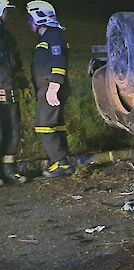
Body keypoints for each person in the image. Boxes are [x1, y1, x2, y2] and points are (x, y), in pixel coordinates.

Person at [27, 1, 72, 178]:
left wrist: (53, 86)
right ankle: (63, 162)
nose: (28, 21)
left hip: (51, 86)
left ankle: (60, 163)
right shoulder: (50, 36)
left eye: (30, 17)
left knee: (44, 127)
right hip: (49, 86)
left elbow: (58, 61)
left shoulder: (52, 36)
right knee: (56, 126)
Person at [0, 0, 28, 186]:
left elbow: (15, 63)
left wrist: (23, 82)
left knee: (12, 132)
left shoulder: (7, 37)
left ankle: (8, 170)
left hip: (10, 91)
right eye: (5, 12)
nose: (8, 15)